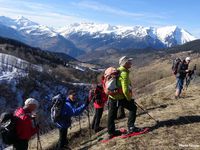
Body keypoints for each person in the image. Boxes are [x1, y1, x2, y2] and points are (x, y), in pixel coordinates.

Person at [106, 56, 142, 139]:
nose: (131, 63)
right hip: (119, 97)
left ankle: (111, 132)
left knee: (111, 115)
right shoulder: (124, 74)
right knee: (133, 108)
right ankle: (131, 127)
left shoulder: (118, 70)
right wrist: (129, 99)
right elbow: (125, 90)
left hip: (112, 96)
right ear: (125, 63)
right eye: (129, 61)